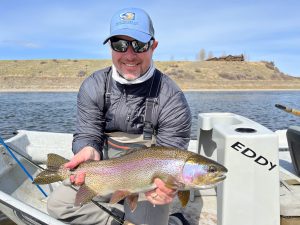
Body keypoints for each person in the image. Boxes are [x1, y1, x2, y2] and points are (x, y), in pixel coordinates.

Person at [47, 7, 192, 225]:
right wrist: (87, 148)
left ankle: (171, 220)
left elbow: (171, 155)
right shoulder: (93, 86)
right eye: (120, 45)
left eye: (140, 45)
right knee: (58, 206)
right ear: (110, 47)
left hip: (147, 181)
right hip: (104, 172)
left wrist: (166, 187)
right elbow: (87, 133)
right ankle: (122, 218)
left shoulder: (172, 98)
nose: (130, 55)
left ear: (153, 46)